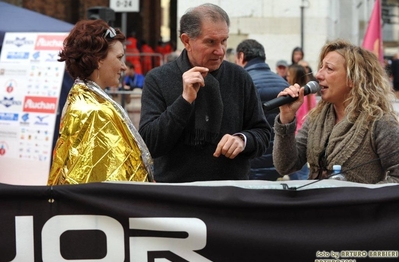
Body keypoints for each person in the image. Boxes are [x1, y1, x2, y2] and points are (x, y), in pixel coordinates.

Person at [139, 4, 271, 183]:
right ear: (186, 41)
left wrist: (243, 140)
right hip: (176, 196)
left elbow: (263, 133)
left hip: (230, 194)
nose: (220, 50)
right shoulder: (158, 78)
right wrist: (184, 101)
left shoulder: (239, 76)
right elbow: (149, 145)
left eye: (224, 40)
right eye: (211, 42)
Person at [273, 39, 399, 183]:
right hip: (317, 204)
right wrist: (286, 119)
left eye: (329, 69)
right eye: (320, 67)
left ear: (353, 79)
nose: (319, 75)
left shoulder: (380, 121)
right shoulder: (316, 118)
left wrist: (364, 198)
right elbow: (285, 166)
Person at [48, 19, 153, 185]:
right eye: (119, 57)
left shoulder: (85, 100)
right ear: (98, 59)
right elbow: (108, 183)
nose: (124, 66)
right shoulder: (94, 110)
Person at [235, 39, 289, 181]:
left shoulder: (242, 82)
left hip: (251, 160)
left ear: (241, 57)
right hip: (277, 161)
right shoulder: (283, 82)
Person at [285, 64, 315, 180]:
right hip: (306, 134)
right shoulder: (310, 95)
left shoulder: (297, 96)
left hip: (297, 135)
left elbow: (299, 118)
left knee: (298, 172)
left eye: (289, 75)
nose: (287, 78)